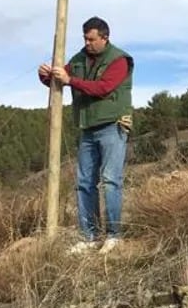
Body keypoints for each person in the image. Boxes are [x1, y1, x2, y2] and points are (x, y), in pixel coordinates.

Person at [37, 16, 134, 253]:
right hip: (88, 129)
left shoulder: (119, 60)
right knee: (84, 183)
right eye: (85, 38)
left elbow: (104, 88)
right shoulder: (79, 59)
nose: (87, 43)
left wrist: (70, 80)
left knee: (111, 181)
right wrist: (46, 75)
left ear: (105, 38)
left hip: (112, 126)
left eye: (92, 39)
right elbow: (58, 81)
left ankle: (113, 236)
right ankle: (89, 237)